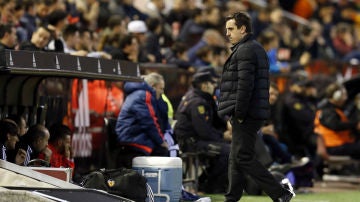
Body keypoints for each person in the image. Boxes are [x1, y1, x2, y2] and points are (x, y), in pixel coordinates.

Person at [217, 12, 295, 202]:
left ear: (242, 29)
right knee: (236, 158)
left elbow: (245, 86)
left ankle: (280, 193)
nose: (227, 33)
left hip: (246, 113)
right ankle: (232, 198)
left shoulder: (246, 50)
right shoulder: (251, 48)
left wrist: (240, 113)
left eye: (231, 29)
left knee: (242, 157)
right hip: (249, 112)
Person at [174, 71, 231, 193]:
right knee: (229, 152)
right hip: (191, 143)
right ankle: (207, 186)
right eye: (212, 83)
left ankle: (212, 184)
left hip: (199, 140)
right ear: (204, 85)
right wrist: (223, 136)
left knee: (231, 148)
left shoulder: (205, 99)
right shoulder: (197, 102)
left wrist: (228, 123)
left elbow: (217, 118)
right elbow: (204, 131)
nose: (215, 85)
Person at [115, 72, 169, 168]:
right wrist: (161, 142)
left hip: (133, 137)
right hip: (134, 139)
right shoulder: (143, 95)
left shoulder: (139, 94)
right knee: (164, 154)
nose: (162, 92)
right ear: (153, 86)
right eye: (161, 88)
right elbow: (149, 122)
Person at [314, 83, 360, 158]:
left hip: (341, 144)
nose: (345, 98)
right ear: (336, 96)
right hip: (335, 146)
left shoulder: (334, 109)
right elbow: (335, 125)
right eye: (344, 95)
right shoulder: (327, 111)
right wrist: (355, 124)